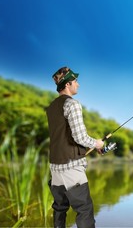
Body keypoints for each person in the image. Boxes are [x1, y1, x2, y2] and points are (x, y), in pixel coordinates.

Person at [46, 67, 104, 228]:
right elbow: (80, 137)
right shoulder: (73, 104)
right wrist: (98, 144)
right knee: (84, 210)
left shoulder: (51, 107)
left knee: (59, 208)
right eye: (76, 81)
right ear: (68, 84)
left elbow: (63, 137)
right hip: (71, 167)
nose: (78, 85)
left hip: (55, 168)